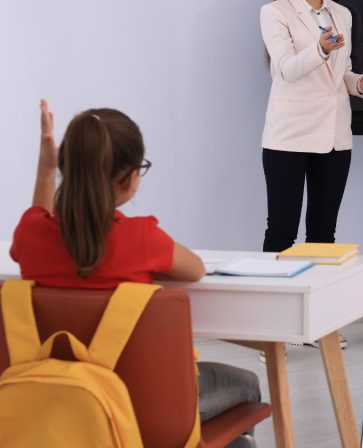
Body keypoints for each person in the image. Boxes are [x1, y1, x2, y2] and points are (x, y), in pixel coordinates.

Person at [10, 101, 262, 448]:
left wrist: (45, 167)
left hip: (60, 399)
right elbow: (195, 269)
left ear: (67, 170)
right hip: (141, 405)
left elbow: (37, 215)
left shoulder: (30, 235)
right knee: (246, 383)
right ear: (128, 180)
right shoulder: (143, 238)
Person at [260, 0, 363, 253]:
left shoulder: (341, 14)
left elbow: (339, 72)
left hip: (334, 136)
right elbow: (286, 69)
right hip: (289, 136)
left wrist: (359, 83)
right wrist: (320, 49)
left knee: (323, 235)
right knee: (281, 232)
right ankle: (275, 303)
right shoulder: (275, 12)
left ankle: (315, 303)